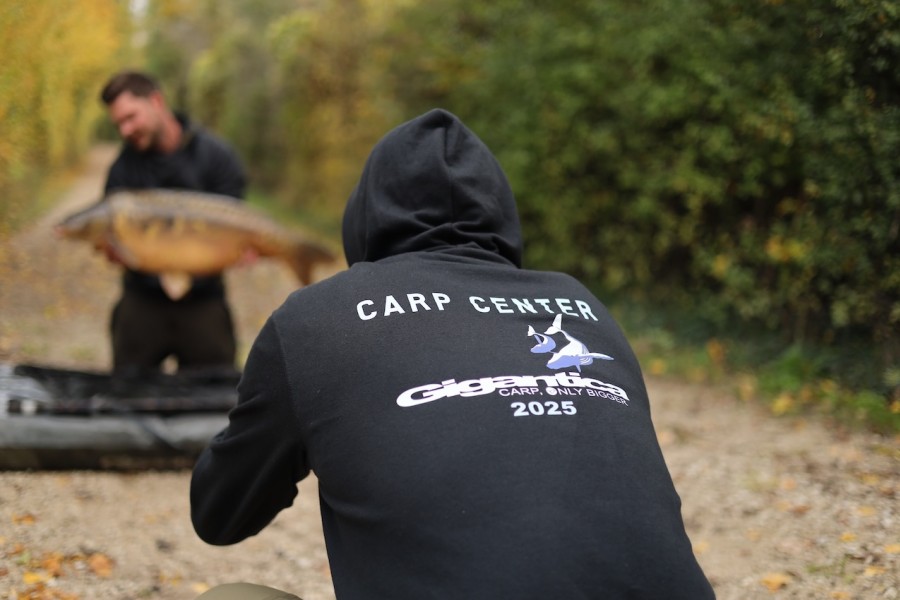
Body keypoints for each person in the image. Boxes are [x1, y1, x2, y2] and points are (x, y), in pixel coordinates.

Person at [190, 109, 716, 599]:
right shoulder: (581, 305)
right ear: (502, 212)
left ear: (365, 216)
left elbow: (219, 514)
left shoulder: (314, 319)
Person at [99, 70, 247, 375]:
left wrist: (238, 251)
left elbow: (238, 226)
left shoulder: (217, 156)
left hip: (204, 300)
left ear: (156, 101)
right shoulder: (121, 170)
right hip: (142, 299)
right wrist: (116, 252)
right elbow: (114, 242)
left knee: (214, 399)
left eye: (131, 117)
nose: (125, 130)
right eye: (119, 125)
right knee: (128, 392)